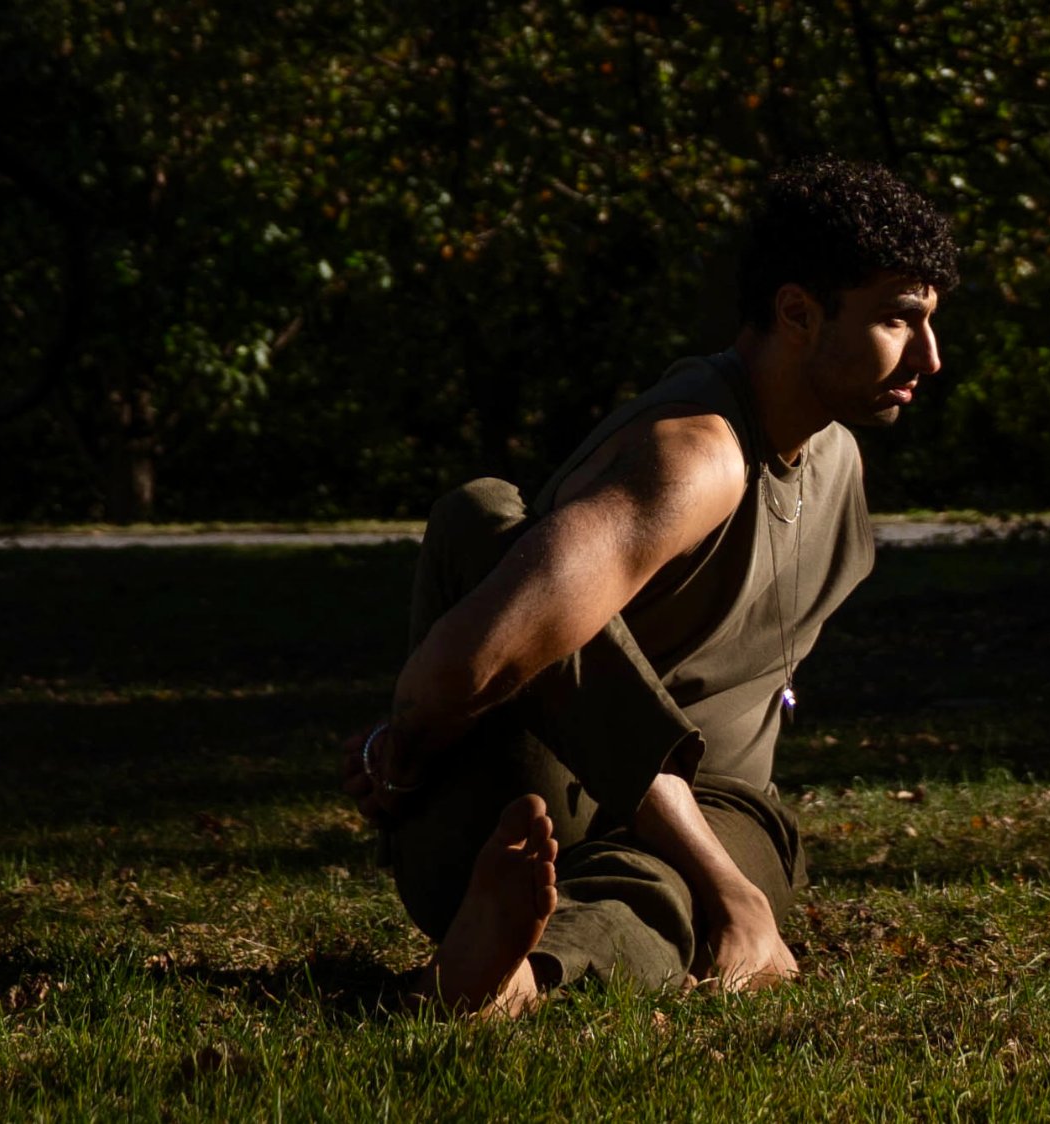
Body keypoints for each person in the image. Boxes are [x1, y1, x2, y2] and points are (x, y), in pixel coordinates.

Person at [342, 157, 959, 1016]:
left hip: (718, 812)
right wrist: (397, 751)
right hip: (531, 811)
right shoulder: (695, 459)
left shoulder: (838, 458)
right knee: (485, 518)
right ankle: (568, 923)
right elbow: (466, 668)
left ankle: (511, 976)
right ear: (797, 312)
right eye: (900, 319)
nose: (930, 355)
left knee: (672, 885)